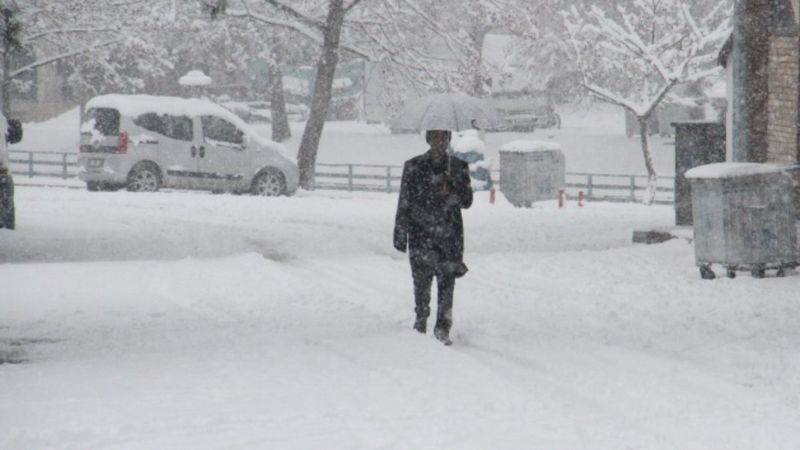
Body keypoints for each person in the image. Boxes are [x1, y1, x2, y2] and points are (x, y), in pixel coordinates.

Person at [394, 129, 473, 345]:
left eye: (444, 137)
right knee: (421, 280)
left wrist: (452, 187)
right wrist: (400, 232)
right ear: (428, 140)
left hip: (449, 235)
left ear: (448, 140)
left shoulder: (458, 167)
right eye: (435, 137)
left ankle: (443, 326)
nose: (440, 142)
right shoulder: (413, 166)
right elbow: (405, 201)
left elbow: (467, 201)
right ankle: (421, 318)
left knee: (447, 282)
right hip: (421, 233)